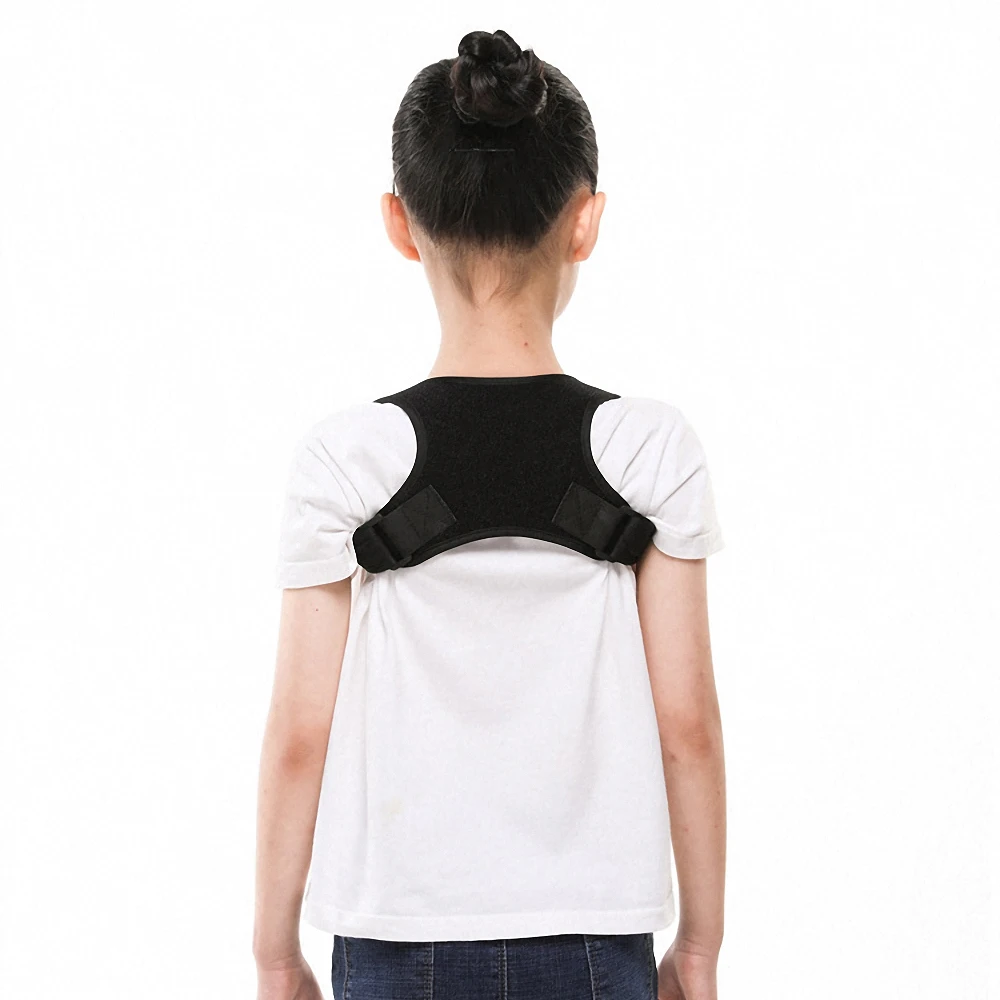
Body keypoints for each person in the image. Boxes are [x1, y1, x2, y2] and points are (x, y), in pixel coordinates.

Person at [253, 28, 727, 1000]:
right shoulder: (647, 449)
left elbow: (300, 732)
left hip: (396, 940)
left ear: (400, 222)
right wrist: (699, 947)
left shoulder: (347, 458)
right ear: (585, 221)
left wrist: (272, 952)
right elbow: (688, 724)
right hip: (594, 938)